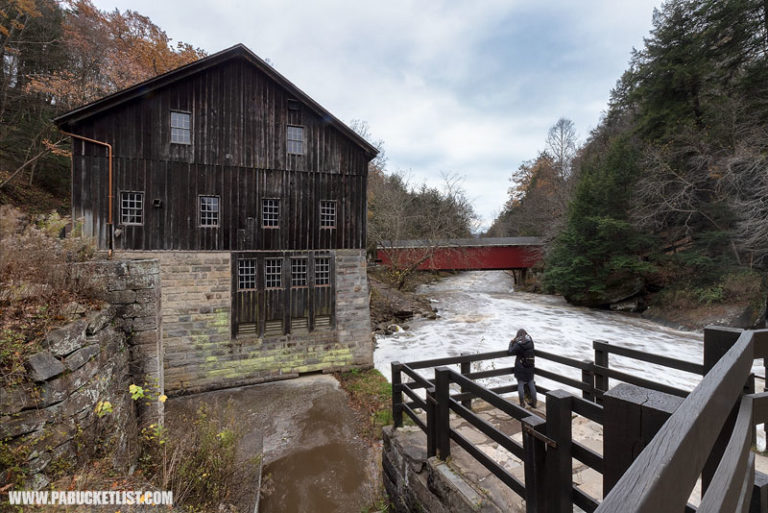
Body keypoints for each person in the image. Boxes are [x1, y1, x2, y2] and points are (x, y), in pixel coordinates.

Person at [508, 328, 537, 408]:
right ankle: (534, 403)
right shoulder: (530, 341)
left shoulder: (518, 344)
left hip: (520, 367)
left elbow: (510, 351)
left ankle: (522, 403)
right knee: (531, 384)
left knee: (521, 385)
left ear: (518, 335)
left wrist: (511, 343)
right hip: (530, 366)